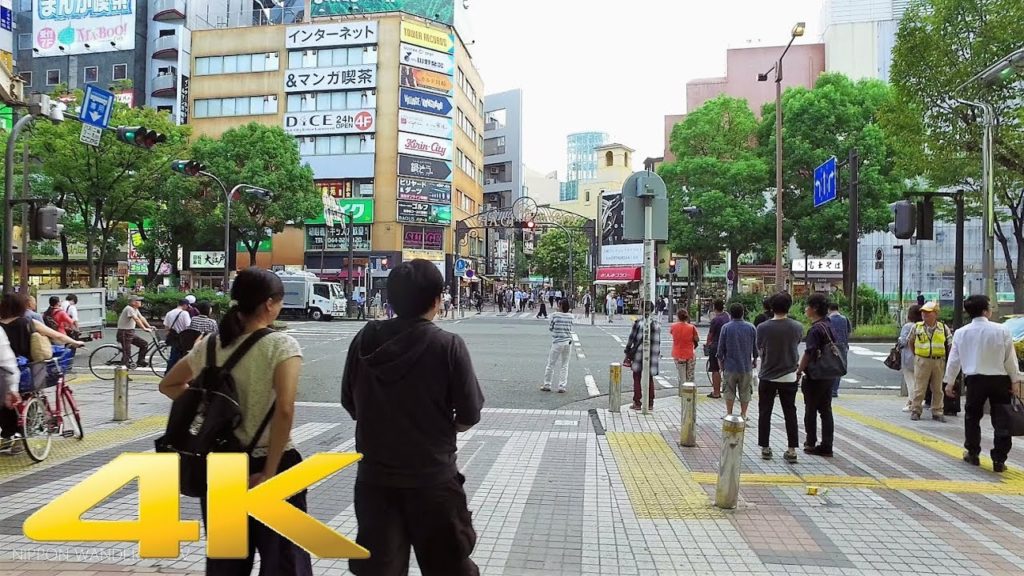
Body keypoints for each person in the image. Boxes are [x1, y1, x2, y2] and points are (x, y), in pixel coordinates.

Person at [160, 268, 312, 575]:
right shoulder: (281, 345)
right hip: (273, 464)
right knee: (283, 562)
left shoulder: (211, 345)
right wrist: (269, 473)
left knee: (226, 565)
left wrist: (208, 410)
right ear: (269, 304)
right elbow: (284, 409)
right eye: (280, 302)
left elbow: (169, 385)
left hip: (221, 468)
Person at [341, 259, 483, 576]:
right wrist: (441, 430)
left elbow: (349, 402)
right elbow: (470, 413)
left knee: (379, 570)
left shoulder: (363, 340)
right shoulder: (447, 345)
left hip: (375, 481)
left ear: (390, 299)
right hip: (433, 480)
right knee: (449, 567)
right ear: (437, 300)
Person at [943, 294, 1021, 473]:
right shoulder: (1001, 330)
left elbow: (954, 360)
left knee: (972, 417)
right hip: (999, 380)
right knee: (1002, 419)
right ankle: (999, 459)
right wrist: (1015, 380)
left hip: (975, 380)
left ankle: (973, 453)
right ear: (986, 311)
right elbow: (1010, 359)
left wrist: (949, 382)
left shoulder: (961, 333)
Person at [0, 294, 84, 451]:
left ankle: (8, 435)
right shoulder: (28, 322)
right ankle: (22, 434)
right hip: (29, 369)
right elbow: (57, 335)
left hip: (4, 373)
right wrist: (75, 342)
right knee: (29, 395)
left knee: (6, 402)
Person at [755, 292, 803, 463]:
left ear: (771, 307)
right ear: (789, 306)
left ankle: (765, 448)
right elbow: (796, 344)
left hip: (768, 375)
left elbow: (760, 349)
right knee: (790, 412)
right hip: (789, 375)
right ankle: (791, 450)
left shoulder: (763, 327)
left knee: (765, 412)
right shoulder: (797, 326)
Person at [798, 294, 838, 458]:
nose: (806, 309)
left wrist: (800, 369)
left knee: (811, 409)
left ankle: (810, 442)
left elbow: (809, 352)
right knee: (826, 410)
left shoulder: (815, 329)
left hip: (815, 375)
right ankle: (827, 445)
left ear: (814, 308)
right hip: (829, 373)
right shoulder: (829, 324)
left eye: (808, 306)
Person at [909, 301, 952, 422]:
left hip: (938, 361)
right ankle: (916, 410)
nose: (924, 315)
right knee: (919, 387)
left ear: (935, 314)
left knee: (937, 388)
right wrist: (917, 355)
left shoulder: (943, 328)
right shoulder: (917, 327)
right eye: (923, 312)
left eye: (928, 312)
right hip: (922, 360)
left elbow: (950, 344)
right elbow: (910, 342)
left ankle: (937, 411)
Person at [717, 303, 757, 419]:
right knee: (745, 391)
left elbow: (720, 349)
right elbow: (755, 348)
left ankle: (729, 413)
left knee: (729, 390)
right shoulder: (751, 327)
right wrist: (754, 359)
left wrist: (721, 363)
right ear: (743, 313)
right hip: (746, 366)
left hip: (730, 366)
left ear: (730, 314)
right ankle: (743, 414)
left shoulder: (726, 328)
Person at [623, 302, 660, 411]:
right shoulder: (657, 324)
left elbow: (631, 339)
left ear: (643, 309)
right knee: (649, 378)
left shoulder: (638, 323)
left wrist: (627, 351)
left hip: (639, 353)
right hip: (652, 354)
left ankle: (637, 401)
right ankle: (650, 402)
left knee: (637, 377)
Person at [541, 299, 574, 393]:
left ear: (560, 306)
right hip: (567, 342)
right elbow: (570, 328)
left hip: (557, 342)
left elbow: (551, 328)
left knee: (551, 364)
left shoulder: (554, 315)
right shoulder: (571, 316)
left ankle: (547, 384)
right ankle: (562, 386)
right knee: (565, 364)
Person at [897, 305, 924, 412]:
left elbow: (903, 342)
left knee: (911, 381)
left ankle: (913, 404)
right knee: (919, 382)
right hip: (922, 356)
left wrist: (899, 339)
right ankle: (913, 401)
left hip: (908, 357)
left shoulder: (908, 326)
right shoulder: (923, 325)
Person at [117, 295, 154, 369]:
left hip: (130, 332)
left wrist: (149, 326)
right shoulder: (129, 309)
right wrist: (144, 328)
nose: (140, 302)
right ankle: (123, 372)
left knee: (144, 344)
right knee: (127, 352)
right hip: (124, 332)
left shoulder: (135, 309)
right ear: (133, 302)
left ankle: (140, 361)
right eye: (138, 301)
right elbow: (136, 319)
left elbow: (141, 318)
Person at [827, 302, 852, 398]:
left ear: (829, 309)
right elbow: (849, 332)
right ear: (838, 309)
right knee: (839, 368)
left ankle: (829, 389)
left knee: (830, 368)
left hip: (831, 346)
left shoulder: (828, 320)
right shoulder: (845, 319)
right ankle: (835, 390)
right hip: (843, 346)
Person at [705, 299, 728, 399]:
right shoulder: (727, 317)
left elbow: (711, 334)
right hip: (727, 346)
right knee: (727, 369)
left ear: (714, 308)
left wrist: (707, 344)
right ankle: (728, 390)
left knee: (715, 369)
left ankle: (716, 392)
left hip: (716, 346)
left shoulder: (715, 320)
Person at [670, 309, 700, 385]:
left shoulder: (673, 326)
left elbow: (672, 333)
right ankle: (689, 394)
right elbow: (697, 339)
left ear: (678, 316)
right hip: (689, 353)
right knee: (690, 376)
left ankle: (681, 392)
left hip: (677, 354)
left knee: (681, 375)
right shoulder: (692, 327)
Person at [162, 299, 193, 372]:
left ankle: (169, 373)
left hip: (173, 338)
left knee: (173, 356)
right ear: (185, 305)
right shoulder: (184, 313)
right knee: (182, 357)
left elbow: (166, 327)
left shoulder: (169, 313)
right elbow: (188, 326)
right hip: (183, 338)